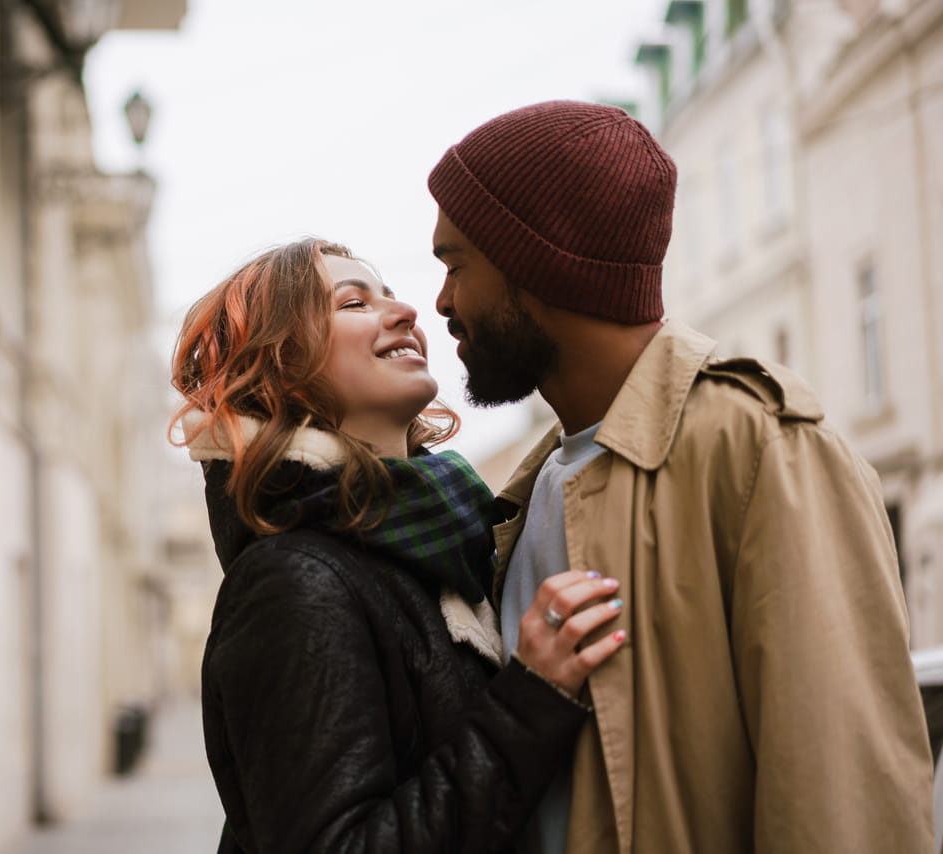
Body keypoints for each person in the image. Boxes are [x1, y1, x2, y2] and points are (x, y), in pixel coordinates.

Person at [427, 99, 935, 853]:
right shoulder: (524, 494)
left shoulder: (761, 449)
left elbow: (846, 802)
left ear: (536, 260)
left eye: (456, 265)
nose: (441, 304)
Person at [170, 238, 627, 853]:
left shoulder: (440, 541)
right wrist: (530, 701)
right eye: (353, 303)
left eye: (388, 293)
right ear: (278, 369)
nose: (406, 311)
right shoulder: (293, 581)